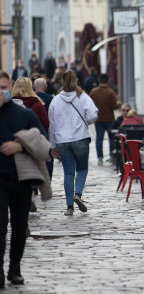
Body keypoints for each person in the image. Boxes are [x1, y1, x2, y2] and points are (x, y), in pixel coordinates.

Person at [0, 71, 49, 287]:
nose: (0, 92)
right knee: (0, 226)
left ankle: (14, 269)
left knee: (20, 226)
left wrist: (20, 145)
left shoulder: (23, 114)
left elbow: (43, 140)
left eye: (3, 87)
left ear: (10, 86)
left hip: (21, 178)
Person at [49, 70, 99, 216]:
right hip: (80, 138)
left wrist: (53, 145)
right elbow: (93, 115)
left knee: (68, 173)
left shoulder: (55, 100)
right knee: (82, 169)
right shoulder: (83, 97)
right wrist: (84, 122)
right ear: (76, 81)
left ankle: (69, 207)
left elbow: (51, 125)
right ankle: (78, 194)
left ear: (62, 82)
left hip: (62, 140)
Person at [90, 74, 121, 165]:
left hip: (98, 119)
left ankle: (100, 157)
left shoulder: (93, 91)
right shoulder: (110, 92)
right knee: (111, 138)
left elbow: (90, 105)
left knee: (99, 138)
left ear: (99, 81)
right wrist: (118, 104)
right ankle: (111, 156)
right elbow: (114, 106)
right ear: (107, 81)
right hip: (109, 119)